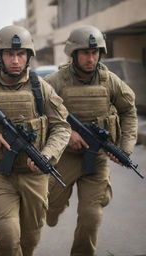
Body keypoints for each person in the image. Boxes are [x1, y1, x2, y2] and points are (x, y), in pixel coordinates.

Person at [0, 25, 71, 256]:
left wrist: (47, 155)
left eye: (21, 54)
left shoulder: (41, 88)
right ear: (0, 56)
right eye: (10, 54)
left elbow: (62, 127)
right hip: (0, 172)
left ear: (28, 56)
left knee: (30, 237)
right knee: (8, 235)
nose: (15, 60)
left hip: (35, 175)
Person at [44, 25, 138, 256]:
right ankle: (54, 209)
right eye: (85, 52)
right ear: (74, 53)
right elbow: (39, 115)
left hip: (96, 158)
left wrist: (124, 149)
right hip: (64, 158)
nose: (91, 58)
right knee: (49, 209)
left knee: (91, 215)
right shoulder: (55, 82)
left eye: (95, 53)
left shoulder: (110, 81)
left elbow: (128, 112)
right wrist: (66, 137)